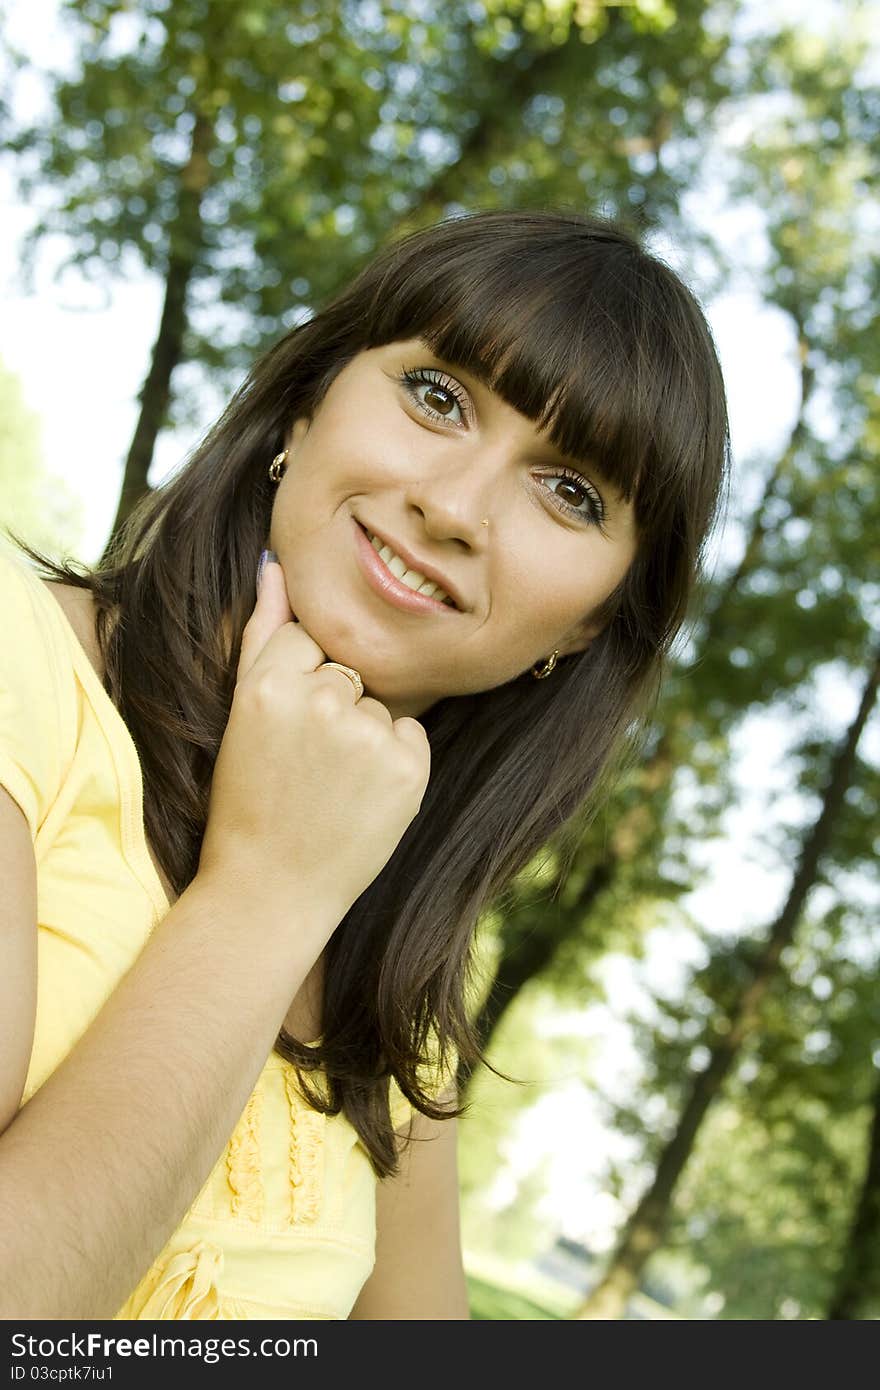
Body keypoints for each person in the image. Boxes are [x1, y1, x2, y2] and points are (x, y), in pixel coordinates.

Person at [0, 208, 729, 1320]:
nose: (453, 506)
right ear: (308, 403)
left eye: (567, 491)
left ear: (583, 630)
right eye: (437, 396)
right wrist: (268, 889)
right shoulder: (20, 669)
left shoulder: (402, 979)